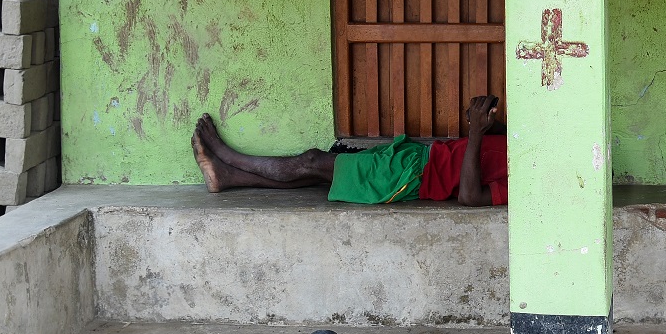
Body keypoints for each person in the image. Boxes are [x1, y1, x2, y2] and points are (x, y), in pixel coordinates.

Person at [191, 95, 507, 206]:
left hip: (410, 178)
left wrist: (476, 133)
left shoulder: (525, 183)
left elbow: (470, 197)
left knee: (312, 161)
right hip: (416, 159)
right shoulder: (529, 145)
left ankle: (228, 156)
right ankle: (227, 177)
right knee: (318, 176)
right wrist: (482, 121)